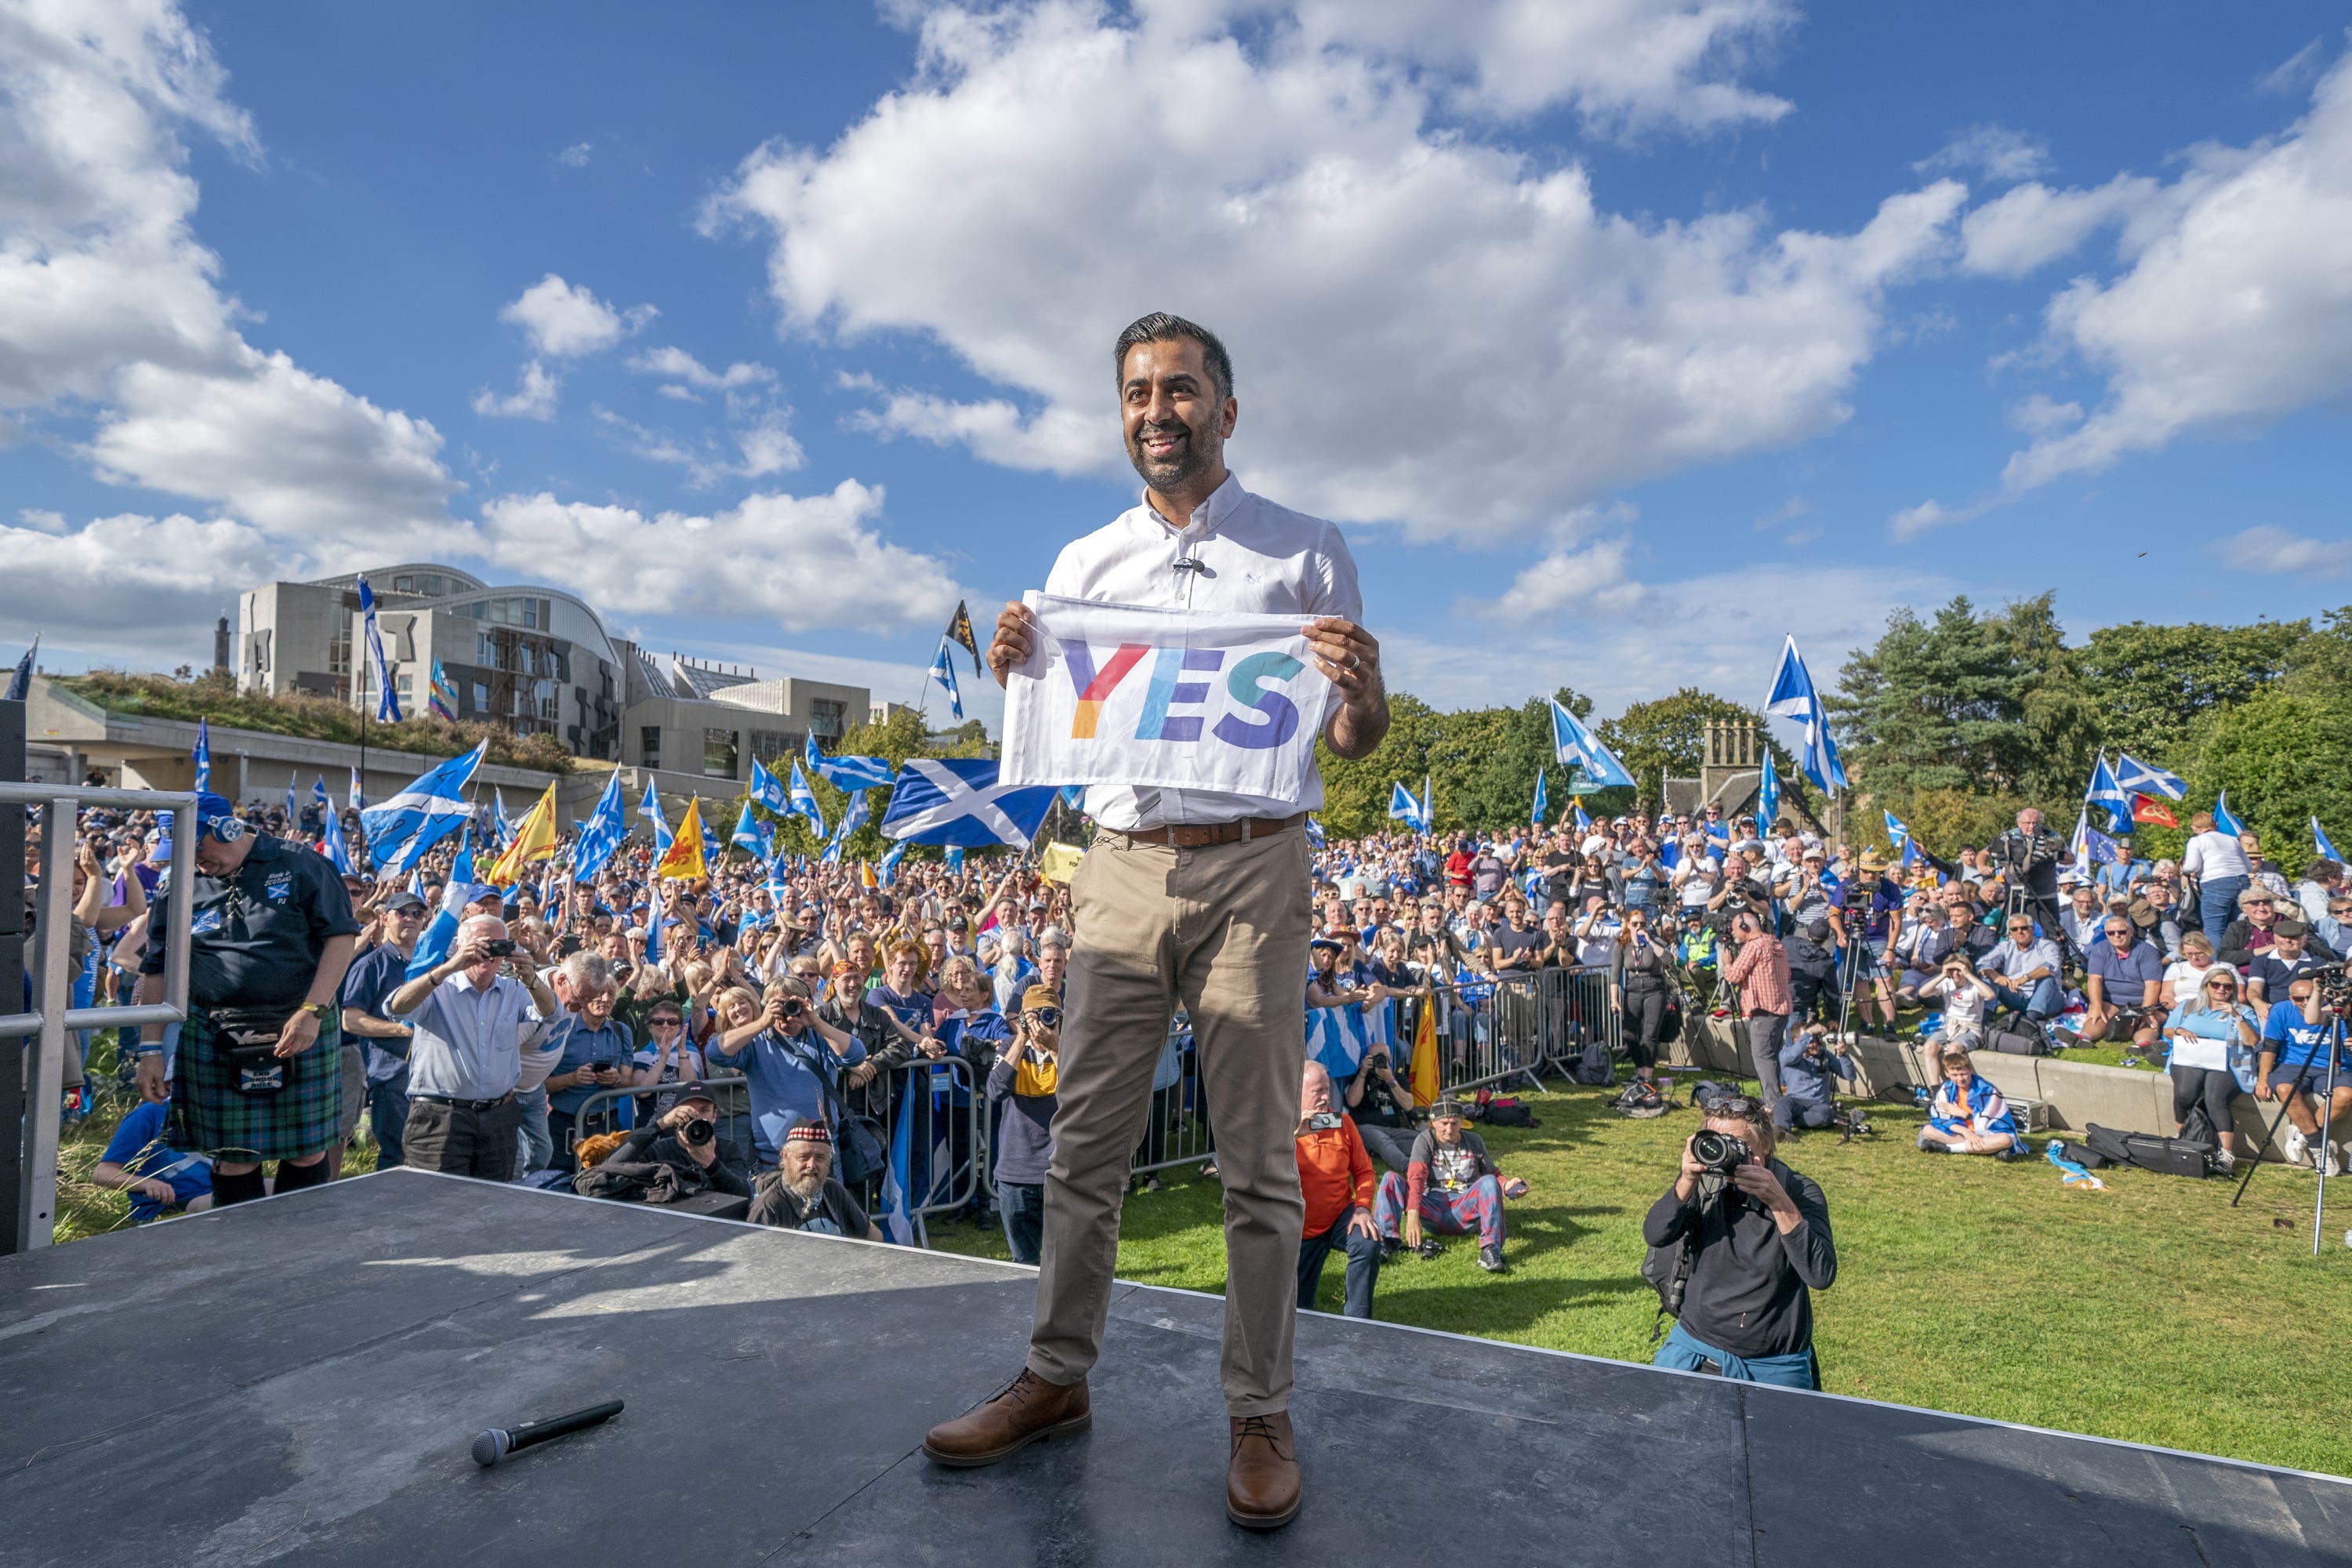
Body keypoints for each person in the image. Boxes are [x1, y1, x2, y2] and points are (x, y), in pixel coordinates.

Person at [927, 311, 1390, 1534]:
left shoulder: (1304, 552)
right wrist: (1018, 660)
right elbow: (1059, 722)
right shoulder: (1081, 566)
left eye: (1181, 391)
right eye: (1137, 393)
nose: (1157, 412)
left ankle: (1259, 1411)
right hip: (1121, 866)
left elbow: (1348, 744)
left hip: (1255, 868)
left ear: (1225, 412)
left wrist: (1365, 690)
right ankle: (1056, 1378)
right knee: (1085, 1149)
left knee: (1256, 1163)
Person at [129, 792, 360, 1207]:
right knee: (233, 1156)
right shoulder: (180, 884)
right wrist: (150, 1048)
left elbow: (341, 937)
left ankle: (301, 1246)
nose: (195, 861)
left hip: (302, 1024)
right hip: (216, 1028)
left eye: (198, 847)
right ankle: (239, 1255)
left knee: (308, 1148)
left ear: (229, 829)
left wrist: (313, 1010)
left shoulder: (301, 864)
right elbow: (157, 966)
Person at [1645, 1093, 1834, 1388]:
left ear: (1767, 1146)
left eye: (1738, 1146)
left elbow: (1820, 1274)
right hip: (1697, 1345)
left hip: (1773, 1361)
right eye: (1715, 1142)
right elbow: (1656, 1235)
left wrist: (1777, 1200)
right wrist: (1685, 1180)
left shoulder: (1798, 1191)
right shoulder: (1705, 1181)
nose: (1724, 1153)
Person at [383, 915, 560, 1181]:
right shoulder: (439, 989)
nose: (488, 953)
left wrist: (532, 979)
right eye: (481, 945)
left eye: (497, 945)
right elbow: (396, 1007)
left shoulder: (514, 990)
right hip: (441, 1117)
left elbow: (550, 1013)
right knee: (434, 1202)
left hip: (498, 1116)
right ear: (460, 947)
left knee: (491, 1203)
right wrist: (447, 968)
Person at [708, 976, 867, 1167]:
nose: (788, 1012)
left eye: (793, 1004)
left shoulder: (820, 1038)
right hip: (773, 1157)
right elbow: (715, 1053)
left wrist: (817, 1022)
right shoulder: (756, 1042)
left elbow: (857, 1055)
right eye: (780, 1005)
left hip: (821, 1154)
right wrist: (761, 1022)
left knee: (828, 1197)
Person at [1370, 1099, 1524, 1272]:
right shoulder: (1424, 1140)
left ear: (1462, 1123)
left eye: (1454, 1123)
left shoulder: (1474, 1141)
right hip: (1432, 1208)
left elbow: (1493, 1174)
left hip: (1463, 1208)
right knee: (1390, 1179)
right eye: (1444, 1124)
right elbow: (1416, 1178)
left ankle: (1491, 1250)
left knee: (1488, 1181)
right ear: (1433, 1122)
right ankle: (1384, 1243)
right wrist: (1413, 1214)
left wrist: (1506, 1185)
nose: (1449, 1129)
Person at [336, 890, 428, 1171]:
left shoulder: (428, 963)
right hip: (391, 1076)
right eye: (402, 913)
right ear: (385, 918)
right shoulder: (370, 965)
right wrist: (400, 1030)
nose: (410, 919)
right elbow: (350, 1020)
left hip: (428, 1076)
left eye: (417, 914)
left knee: (425, 1157)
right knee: (397, 1157)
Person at [1294, 1061, 1380, 1319]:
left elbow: (1365, 1171)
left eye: (1327, 1090)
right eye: (1317, 1092)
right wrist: (1292, 1137)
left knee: (1368, 1242)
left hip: (1339, 1216)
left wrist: (1363, 1208)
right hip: (1298, 1231)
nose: (1325, 1097)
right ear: (1296, 1091)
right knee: (1299, 1315)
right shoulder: (1278, 1128)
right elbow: (1261, 1171)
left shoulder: (1341, 1122)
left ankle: (1358, 1323)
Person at [988, 985, 1063, 1265]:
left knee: (1065, 1261)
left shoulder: (1072, 1048)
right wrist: (1021, 1038)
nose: (1041, 1023)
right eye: (1034, 1016)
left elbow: (1080, 1095)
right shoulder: (1010, 1048)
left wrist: (1056, 1048)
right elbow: (996, 1091)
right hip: (1016, 1172)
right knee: (1024, 1262)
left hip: (1061, 1170)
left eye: (1049, 1015)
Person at [576, 1083, 752, 1203]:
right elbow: (610, 1166)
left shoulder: (728, 1149)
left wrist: (710, 1162)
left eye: (704, 1110)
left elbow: (743, 1193)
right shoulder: (658, 1150)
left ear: (714, 1116)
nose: (697, 1116)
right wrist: (660, 1124)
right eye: (688, 1111)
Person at [2160, 968, 2258, 1171]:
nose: (2221, 989)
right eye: (2216, 985)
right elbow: (2168, 1030)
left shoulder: (2244, 1011)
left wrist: (2236, 1016)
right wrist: (2179, 1031)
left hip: (2227, 1062)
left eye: (2227, 986)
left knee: (2215, 1098)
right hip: (2191, 1058)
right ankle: (2184, 1138)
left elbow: (2252, 1041)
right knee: (2184, 1093)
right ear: (2206, 986)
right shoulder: (2189, 1006)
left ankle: (2227, 1153)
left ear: (2233, 989)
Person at [2256, 977, 2352, 1177]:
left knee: (2345, 1095)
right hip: (2293, 1064)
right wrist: (2263, 1079)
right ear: (2291, 999)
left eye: (2311, 997)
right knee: (2285, 1089)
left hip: (2332, 1066)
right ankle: (2320, 1149)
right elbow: (2270, 1047)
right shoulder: (2282, 1010)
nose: (2306, 1002)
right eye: (2300, 999)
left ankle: (2302, 1133)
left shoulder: (2337, 1011)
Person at [746, 1118, 880, 1238]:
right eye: (803, 1157)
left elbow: (871, 1232)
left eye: (820, 1158)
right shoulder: (768, 1206)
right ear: (785, 1157)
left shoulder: (833, 1190)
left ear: (829, 1162)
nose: (811, 1165)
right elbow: (755, 1260)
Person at [1721, 911, 1794, 1122]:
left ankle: (1773, 1106)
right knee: (1772, 1057)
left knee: (1763, 1058)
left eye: (1735, 929)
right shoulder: (1775, 942)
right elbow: (1787, 974)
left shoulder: (1753, 946)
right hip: (1782, 1009)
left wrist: (1727, 963)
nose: (1734, 933)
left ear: (1746, 928)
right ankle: (1774, 1100)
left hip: (1764, 1011)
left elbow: (1734, 976)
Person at [90, 1098, 212, 1221]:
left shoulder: (223, 1114)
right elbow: (102, 1174)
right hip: (165, 1208)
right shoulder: (149, 1113)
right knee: (223, 1200)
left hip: (214, 1198)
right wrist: (147, 1184)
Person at [2074, 913, 2163, 1054]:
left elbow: (2153, 985)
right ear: (2106, 934)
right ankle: (2082, 1038)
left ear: (2131, 932)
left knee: (2149, 1020)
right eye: (2111, 933)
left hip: (2140, 1001)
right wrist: (2096, 1006)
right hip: (2112, 1001)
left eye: (2121, 932)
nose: (2116, 936)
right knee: (2098, 1015)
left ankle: (2143, 1044)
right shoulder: (2100, 949)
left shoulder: (2147, 951)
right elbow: (2094, 979)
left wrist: (2147, 1010)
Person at [1984, 807, 2066, 950]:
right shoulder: (2008, 837)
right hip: (2016, 893)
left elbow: (2070, 858)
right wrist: (1982, 866)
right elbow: (1984, 853)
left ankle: (2060, 962)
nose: (2031, 827)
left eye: (2036, 823)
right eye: (2027, 823)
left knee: (2053, 932)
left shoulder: (2051, 836)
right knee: (2013, 929)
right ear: (2019, 823)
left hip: (2044, 894)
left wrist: (2052, 854)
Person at [1610, 906, 1672, 1083]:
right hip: (1633, 988)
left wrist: (1650, 942)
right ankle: (1640, 1069)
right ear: (1628, 925)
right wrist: (1614, 999)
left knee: (1650, 1035)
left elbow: (1668, 959)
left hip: (1655, 988)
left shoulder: (1654, 939)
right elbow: (1615, 974)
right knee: (1628, 1034)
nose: (1639, 927)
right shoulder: (1622, 943)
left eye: (1642, 924)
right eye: (1635, 923)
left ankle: (1648, 1075)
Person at [1917, 1051, 2021, 1156]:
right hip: (1961, 1134)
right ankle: (1990, 1150)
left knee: (2005, 1140)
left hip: (1987, 1134)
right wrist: (1965, 1132)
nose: (1960, 1079)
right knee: (1928, 1130)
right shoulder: (1946, 1090)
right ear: (1946, 1073)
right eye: (1955, 1075)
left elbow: (1998, 1121)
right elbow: (1940, 1119)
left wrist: (1964, 1115)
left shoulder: (1987, 1090)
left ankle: (1948, 1148)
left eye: (1963, 1074)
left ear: (1970, 1070)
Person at [2182, 811, 2252, 949]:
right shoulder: (2232, 839)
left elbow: (2192, 866)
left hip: (2217, 884)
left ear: (2194, 828)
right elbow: (2249, 867)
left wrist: (2184, 872)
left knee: (2214, 930)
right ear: (2216, 825)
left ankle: (2218, 966)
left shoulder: (2197, 841)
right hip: (2242, 882)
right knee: (2238, 927)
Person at [1979, 914, 2063, 1023]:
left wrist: (2026, 978)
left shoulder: (2047, 945)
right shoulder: (2005, 946)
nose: (2020, 932)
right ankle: (1986, 1020)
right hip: (2018, 997)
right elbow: (1982, 963)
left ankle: (2030, 1021)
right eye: (2015, 929)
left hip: (2049, 1001)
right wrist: (1995, 976)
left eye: (2024, 928)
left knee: (2047, 979)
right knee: (1989, 979)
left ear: (2032, 929)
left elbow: (2050, 967)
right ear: (2011, 932)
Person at [1774, 1022, 1856, 1133]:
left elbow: (1849, 1076)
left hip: (1819, 1106)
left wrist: (1843, 1055)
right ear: (1796, 1041)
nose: (1815, 1044)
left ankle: (1789, 1120)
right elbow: (1794, 1054)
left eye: (1815, 1039)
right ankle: (1782, 1132)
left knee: (1825, 1113)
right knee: (1782, 1102)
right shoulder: (1786, 1055)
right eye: (1810, 1040)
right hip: (1796, 1102)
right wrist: (1809, 1034)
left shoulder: (1825, 1055)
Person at [2246, 917, 2337, 1007]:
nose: (2287, 940)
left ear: (2304, 940)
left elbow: (2325, 990)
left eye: (2293, 937)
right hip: (2271, 1010)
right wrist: (2258, 1004)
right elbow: (2254, 990)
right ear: (2275, 938)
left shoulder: (2317, 962)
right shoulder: (2261, 961)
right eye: (2283, 937)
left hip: (2306, 1009)